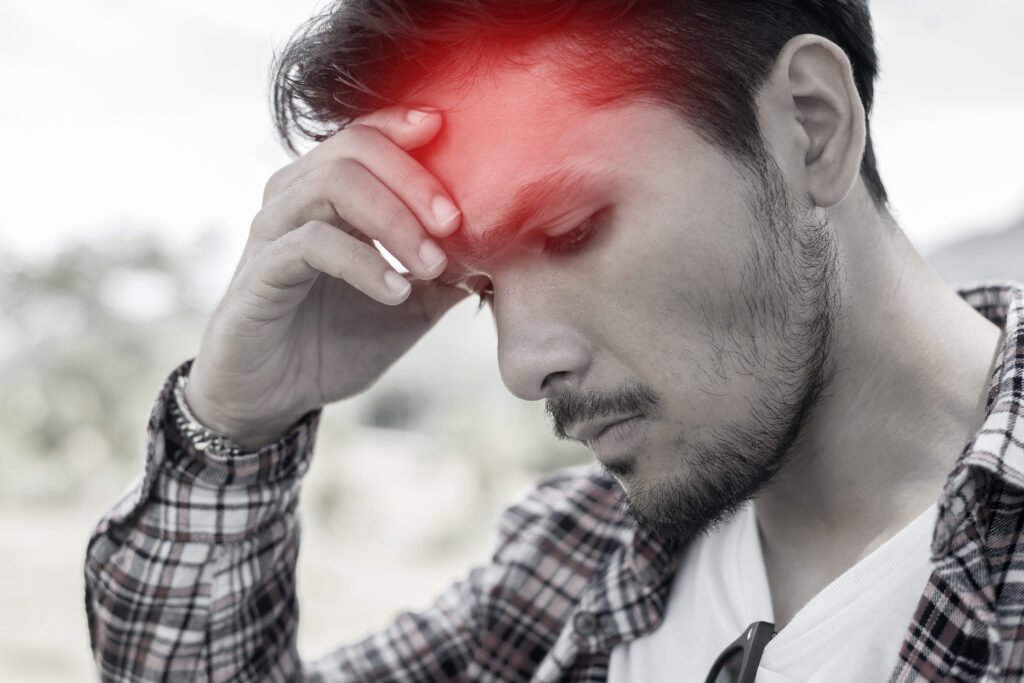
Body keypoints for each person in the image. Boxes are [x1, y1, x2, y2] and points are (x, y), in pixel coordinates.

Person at [84, 0, 1024, 680]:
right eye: (481, 286)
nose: (521, 367)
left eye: (571, 228)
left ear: (812, 129)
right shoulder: (572, 556)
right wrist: (239, 425)